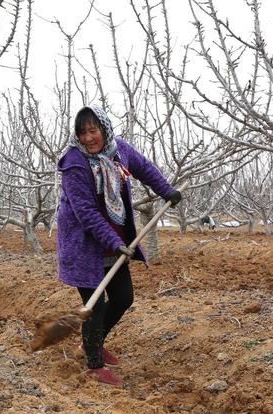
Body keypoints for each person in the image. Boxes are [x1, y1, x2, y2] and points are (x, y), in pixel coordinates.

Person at [57, 103, 181, 387]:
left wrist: (166, 191)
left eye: (93, 130)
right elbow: (86, 212)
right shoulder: (74, 163)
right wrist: (113, 241)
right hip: (84, 244)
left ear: (103, 128)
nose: (88, 138)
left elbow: (144, 168)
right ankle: (94, 365)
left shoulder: (118, 150)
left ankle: (92, 342)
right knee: (95, 305)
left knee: (123, 298)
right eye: (82, 133)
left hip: (115, 239)